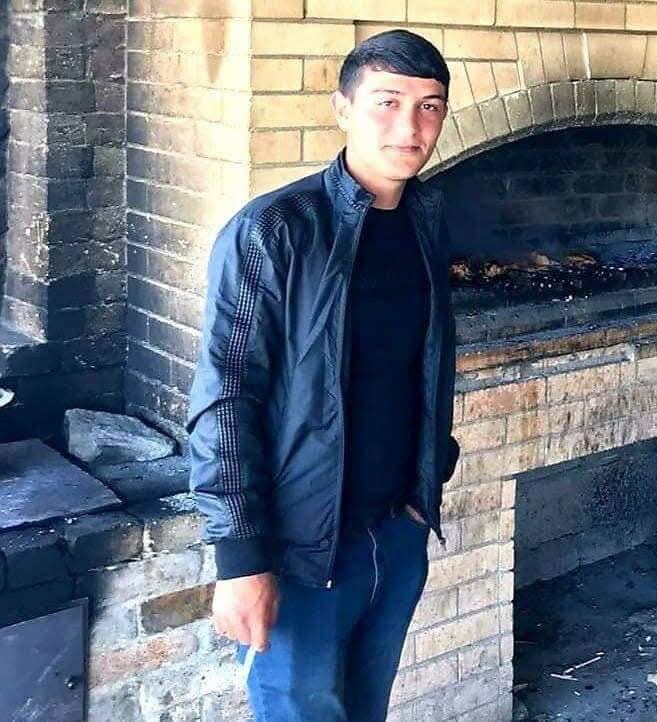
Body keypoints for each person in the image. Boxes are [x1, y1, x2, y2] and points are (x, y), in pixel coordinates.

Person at [186, 28, 460, 722]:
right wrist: (241, 559)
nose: (410, 127)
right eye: (387, 102)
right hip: (302, 553)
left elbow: (424, 365)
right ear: (343, 109)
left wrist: (427, 487)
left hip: (397, 536)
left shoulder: (427, 220)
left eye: (429, 107)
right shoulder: (272, 230)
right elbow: (225, 397)